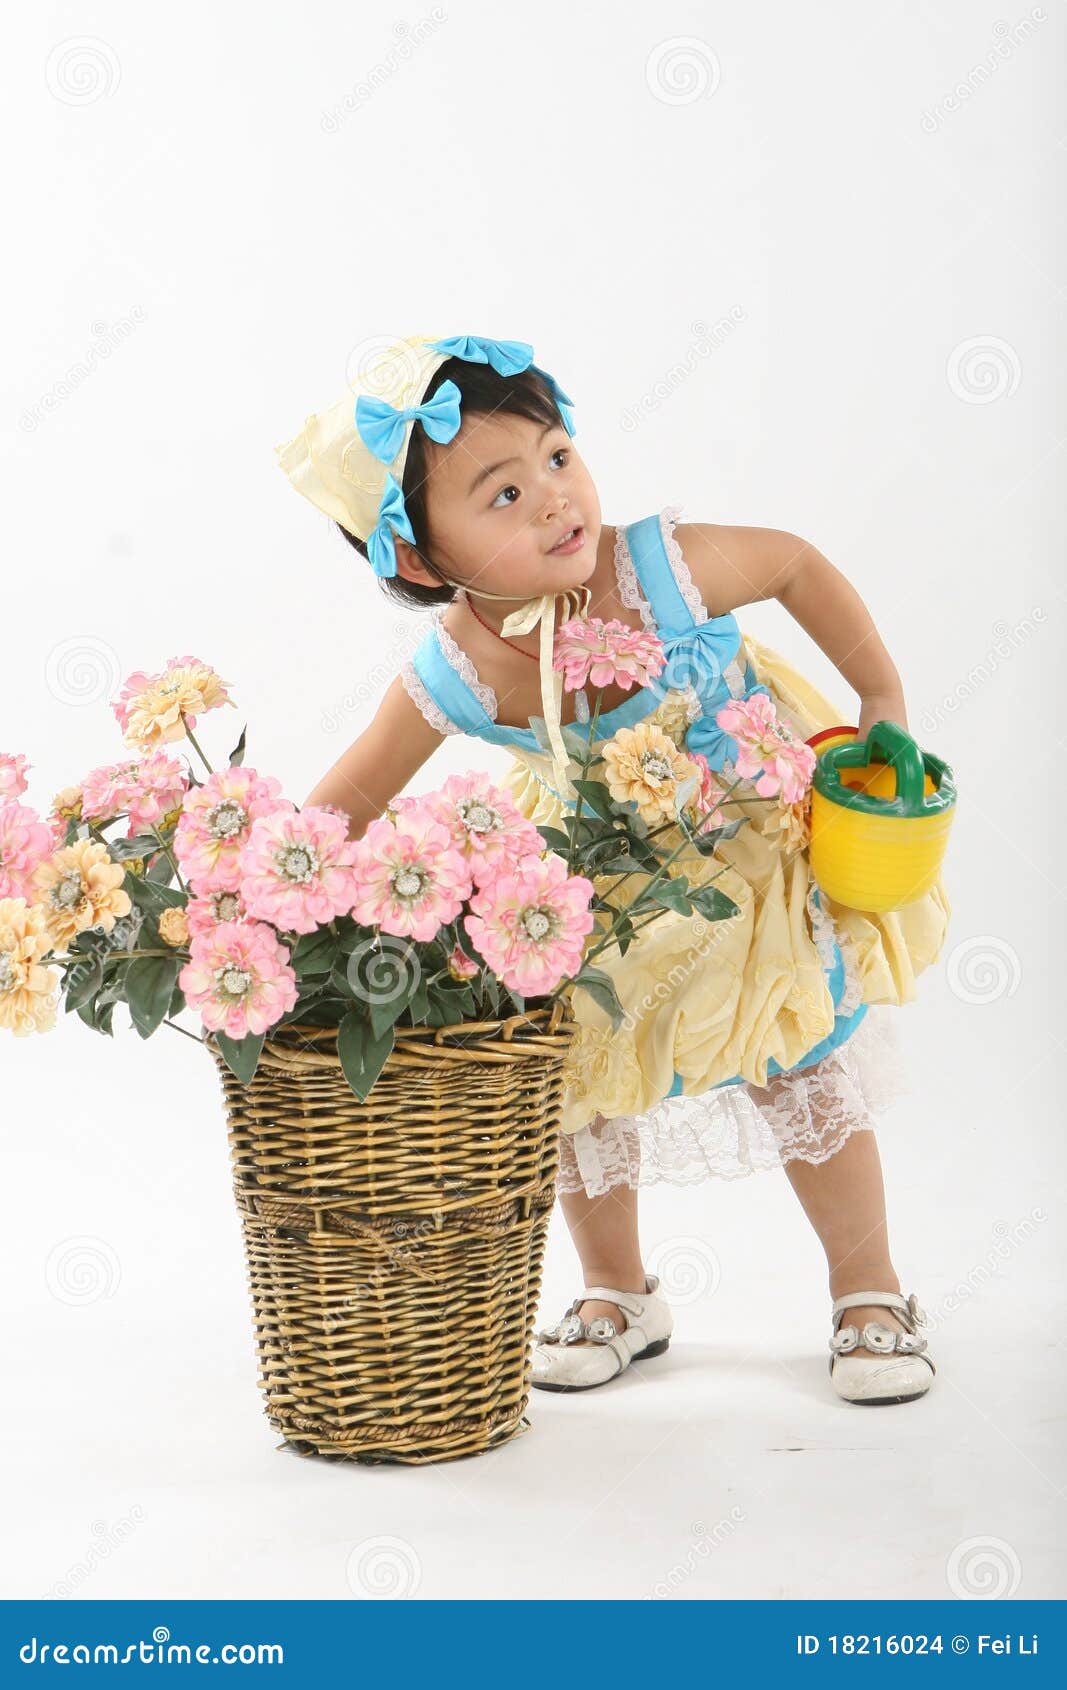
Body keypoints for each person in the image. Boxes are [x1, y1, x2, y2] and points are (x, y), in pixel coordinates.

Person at [276, 331, 950, 1408]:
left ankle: (867, 1289)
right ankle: (618, 1290)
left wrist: (879, 698)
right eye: (500, 493)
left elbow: (793, 563)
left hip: (743, 842)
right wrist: (260, 890)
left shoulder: (654, 570)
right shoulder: (458, 664)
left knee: (801, 1057)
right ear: (419, 557)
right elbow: (353, 793)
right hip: (598, 887)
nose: (554, 499)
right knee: (576, 1076)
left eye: (555, 456)